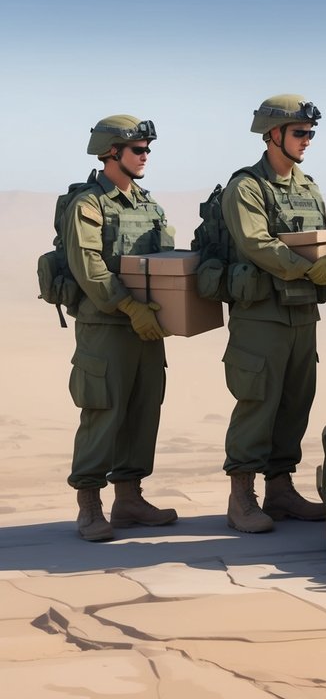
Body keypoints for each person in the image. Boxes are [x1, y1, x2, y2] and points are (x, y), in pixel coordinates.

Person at [220, 95, 326, 533]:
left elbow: (324, 236)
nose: (307, 140)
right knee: (257, 403)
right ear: (272, 135)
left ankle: (280, 490)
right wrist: (311, 267)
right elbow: (257, 243)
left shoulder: (307, 187)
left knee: (295, 402)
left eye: (310, 133)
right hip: (261, 316)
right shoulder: (246, 188)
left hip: (302, 313)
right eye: (299, 132)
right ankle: (241, 498)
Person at [64, 115, 177, 541]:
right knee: (104, 410)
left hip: (146, 328)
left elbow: (165, 263)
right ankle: (89, 505)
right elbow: (89, 268)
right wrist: (130, 306)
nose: (146, 156)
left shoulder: (150, 204)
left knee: (143, 409)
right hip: (107, 326)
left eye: (148, 149)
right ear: (112, 152)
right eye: (138, 150)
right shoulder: (89, 204)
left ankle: (128, 498)